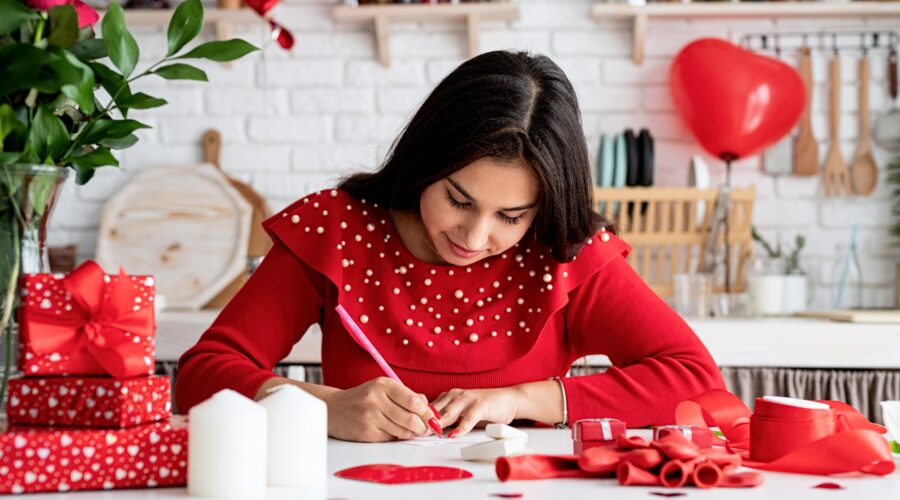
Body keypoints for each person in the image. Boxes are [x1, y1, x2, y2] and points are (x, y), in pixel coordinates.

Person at [176, 50, 725, 443]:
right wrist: (326, 408)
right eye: (458, 200)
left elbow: (696, 382)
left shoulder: (565, 250)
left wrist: (522, 400)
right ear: (425, 165)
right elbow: (201, 376)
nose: (474, 237)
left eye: (511, 217)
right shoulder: (337, 228)